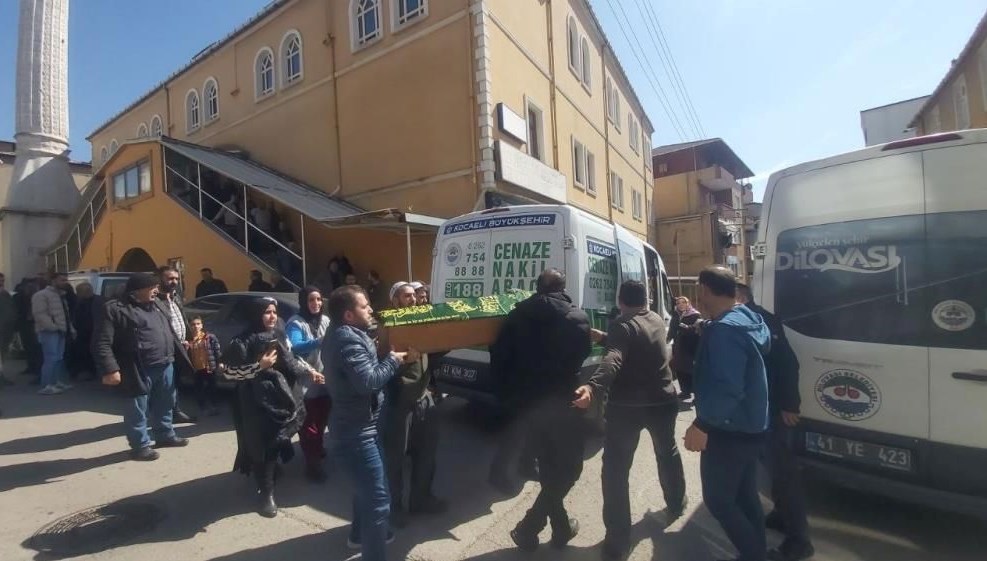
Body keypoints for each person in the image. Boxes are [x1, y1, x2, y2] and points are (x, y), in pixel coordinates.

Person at [573, 280, 687, 560]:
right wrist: (604, 337)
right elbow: (635, 344)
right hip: (662, 401)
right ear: (645, 300)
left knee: (615, 470)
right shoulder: (656, 319)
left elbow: (614, 357)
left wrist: (592, 387)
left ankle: (617, 541)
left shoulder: (622, 325)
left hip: (627, 408)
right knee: (667, 452)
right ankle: (676, 502)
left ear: (620, 301)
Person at [492, 269, 591, 551]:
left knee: (548, 466)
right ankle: (529, 526)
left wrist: (507, 395)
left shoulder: (516, 315)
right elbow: (583, 353)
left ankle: (560, 529)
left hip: (529, 404)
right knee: (570, 468)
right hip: (563, 403)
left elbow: (499, 356)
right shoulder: (577, 317)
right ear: (563, 288)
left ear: (537, 287)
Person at [322, 285, 420, 561]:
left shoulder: (347, 334)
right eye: (365, 306)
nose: (371, 310)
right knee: (378, 501)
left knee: (365, 490)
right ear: (349, 315)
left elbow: (364, 371)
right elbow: (368, 382)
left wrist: (392, 358)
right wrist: (392, 361)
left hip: (360, 427)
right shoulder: (347, 341)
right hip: (356, 434)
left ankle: (357, 536)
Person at [683, 266, 771, 561]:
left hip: (727, 428)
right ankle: (756, 552)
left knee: (719, 500)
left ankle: (755, 555)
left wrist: (702, 424)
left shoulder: (724, 331)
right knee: (745, 497)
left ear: (704, 291)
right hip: (751, 426)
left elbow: (728, 387)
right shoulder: (745, 318)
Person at [222, 296, 325, 517]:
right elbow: (228, 372)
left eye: (274, 312)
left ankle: (271, 470)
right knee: (260, 444)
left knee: (276, 440)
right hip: (254, 402)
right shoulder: (242, 341)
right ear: (256, 315)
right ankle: (266, 493)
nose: (272, 316)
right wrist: (259, 366)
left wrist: (310, 371)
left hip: (281, 396)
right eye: (267, 312)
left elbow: (291, 357)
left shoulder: (278, 333)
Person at [736, 284, 814, 561]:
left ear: (741, 297)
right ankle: (782, 516)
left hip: (774, 411)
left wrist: (790, 404)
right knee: (773, 469)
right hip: (761, 411)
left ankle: (799, 542)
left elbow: (787, 363)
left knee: (783, 473)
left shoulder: (759, 320)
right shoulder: (752, 318)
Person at [93, 273, 192, 461]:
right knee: (137, 409)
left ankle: (165, 435)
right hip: (137, 367)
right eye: (152, 287)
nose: (156, 290)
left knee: (165, 402)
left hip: (165, 363)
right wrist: (110, 369)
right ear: (137, 290)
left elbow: (168, 331)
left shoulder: (158, 304)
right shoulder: (115, 309)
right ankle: (140, 446)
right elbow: (102, 342)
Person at [381, 283, 447, 528]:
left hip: (424, 398)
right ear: (395, 300)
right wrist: (403, 363)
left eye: (415, 295)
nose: (414, 299)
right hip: (399, 402)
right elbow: (380, 367)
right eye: (407, 296)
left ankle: (421, 499)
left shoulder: (420, 322)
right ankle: (394, 507)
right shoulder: (389, 326)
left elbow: (430, 353)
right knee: (396, 459)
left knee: (427, 453)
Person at [286, 286, 333, 482]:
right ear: (303, 302)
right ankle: (312, 464)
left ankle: (317, 448)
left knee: (322, 419)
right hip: (306, 381)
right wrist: (319, 341)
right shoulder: (295, 323)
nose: (316, 303)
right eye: (311, 300)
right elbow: (295, 347)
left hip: (325, 379)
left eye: (319, 299)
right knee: (309, 424)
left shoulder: (326, 320)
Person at [157, 267, 197, 424]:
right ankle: (165, 417)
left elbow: (182, 319)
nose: (174, 282)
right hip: (166, 348)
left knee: (176, 382)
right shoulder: (155, 300)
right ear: (160, 279)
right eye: (170, 279)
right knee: (166, 384)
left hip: (181, 347)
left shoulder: (175, 297)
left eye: (176, 279)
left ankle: (174, 412)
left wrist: (187, 338)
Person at [32, 271, 75, 395]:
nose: (65, 283)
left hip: (61, 330)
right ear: (53, 280)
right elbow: (40, 314)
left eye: (66, 280)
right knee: (50, 358)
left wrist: (70, 328)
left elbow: (65, 315)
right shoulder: (41, 295)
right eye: (62, 280)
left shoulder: (61, 295)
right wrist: (53, 327)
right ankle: (46, 385)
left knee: (58, 358)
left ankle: (55, 382)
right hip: (49, 331)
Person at [187, 317, 224, 416]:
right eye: (193, 324)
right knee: (199, 389)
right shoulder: (189, 340)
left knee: (212, 387)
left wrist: (220, 362)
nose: (196, 326)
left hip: (208, 367)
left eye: (198, 324)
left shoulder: (209, 337)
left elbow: (217, 351)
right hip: (196, 369)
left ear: (202, 325)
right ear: (190, 326)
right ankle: (203, 407)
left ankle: (214, 406)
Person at [670, 296, 702, 401]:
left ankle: (697, 395)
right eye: (678, 303)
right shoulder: (676, 315)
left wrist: (685, 327)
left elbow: (696, 330)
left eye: (683, 302)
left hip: (690, 347)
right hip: (679, 346)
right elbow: (672, 329)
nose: (681, 305)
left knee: (691, 371)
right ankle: (685, 391)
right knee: (680, 370)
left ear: (688, 303)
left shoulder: (695, 315)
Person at [68, 282, 100, 381]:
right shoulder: (96, 300)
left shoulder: (87, 303)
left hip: (89, 332)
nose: (77, 294)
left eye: (78, 292)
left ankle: (88, 372)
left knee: (86, 353)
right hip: (85, 332)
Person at [13, 278, 42, 380]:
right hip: (27, 324)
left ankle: (35, 367)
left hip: (29, 324)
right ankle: (33, 367)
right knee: (31, 346)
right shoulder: (22, 296)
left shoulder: (26, 296)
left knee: (32, 347)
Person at [0, 273, 16, 385]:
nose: (2, 283)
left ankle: (1, 376)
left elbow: (10, 311)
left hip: (6, 329)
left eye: (2, 281)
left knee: (3, 354)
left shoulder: (5, 294)